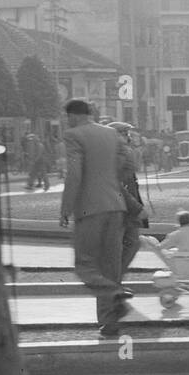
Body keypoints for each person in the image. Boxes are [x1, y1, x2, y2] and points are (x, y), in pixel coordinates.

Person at [59, 100, 136, 336]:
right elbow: (130, 162)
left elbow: (75, 174)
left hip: (90, 209)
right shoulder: (111, 133)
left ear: (71, 116)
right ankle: (109, 322)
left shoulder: (73, 135)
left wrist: (66, 207)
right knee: (109, 266)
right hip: (115, 206)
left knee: (85, 264)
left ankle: (114, 294)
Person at [112, 122, 148, 279]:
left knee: (132, 243)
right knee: (124, 244)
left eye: (127, 134)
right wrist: (136, 207)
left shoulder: (125, 151)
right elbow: (117, 184)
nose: (128, 137)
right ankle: (113, 280)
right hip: (120, 207)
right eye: (124, 134)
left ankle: (115, 279)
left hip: (127, 206)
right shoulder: (115, 155)